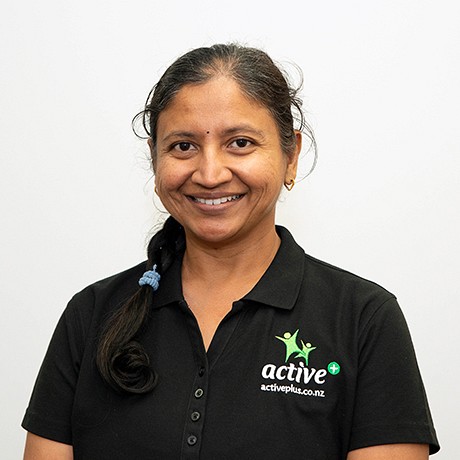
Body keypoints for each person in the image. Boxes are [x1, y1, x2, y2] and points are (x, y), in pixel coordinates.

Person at [22, 43, 440, 459]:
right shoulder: (92, 315)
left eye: (240, 142)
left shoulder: (364, 319)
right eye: (183, 146)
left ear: (291, 156)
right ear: (155, 158)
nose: (209, 174)